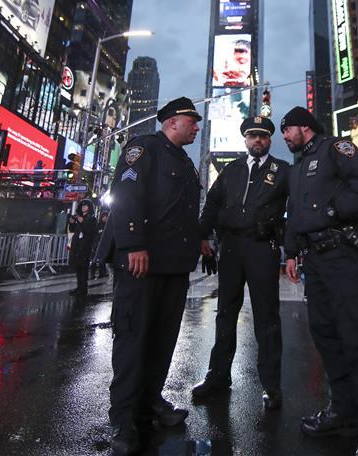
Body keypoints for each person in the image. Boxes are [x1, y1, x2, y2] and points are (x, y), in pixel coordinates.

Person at [281, 106, 358, 456]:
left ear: (303, 127)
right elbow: (294, 215)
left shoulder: (335, 149)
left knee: (354, 338)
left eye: (287, 130)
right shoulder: (297, 170)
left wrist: (333, 210)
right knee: (325, 336)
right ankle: (343, 412)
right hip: (315, 261)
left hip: (342, 256)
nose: (284, 137)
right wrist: (291, 253)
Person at [107, 97, 204, 455]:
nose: (196, 126)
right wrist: (133, 242)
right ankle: (123, 418)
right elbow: (127, 194)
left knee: (163, 339)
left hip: (174, 265)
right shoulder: (144, 148)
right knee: (133, 338)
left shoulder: (185, 161)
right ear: (171, 122)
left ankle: (150, 401)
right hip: (141, 262)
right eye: (191, 121)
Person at [193, 115, 290, 409]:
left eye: (262, 136)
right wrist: (203, 238)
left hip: (263, 247)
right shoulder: (232, 170)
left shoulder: (283, 171)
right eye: (252, 136)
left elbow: (297, 208)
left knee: (267, 317)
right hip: (232, 247)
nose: (257, 140)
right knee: (225, 313)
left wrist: (294, 250)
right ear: (245, 140)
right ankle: (218, 376)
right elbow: (211, 204)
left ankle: (271, 385)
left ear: (269, 140)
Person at [67, 198, 97, 297]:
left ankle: (83, 289)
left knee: (83, 268)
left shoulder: (92, 218)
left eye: (86, 206)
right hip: (77, 245)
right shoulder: (79, 217)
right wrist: (71, 222)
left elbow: (89, 232)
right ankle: (79, 287)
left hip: (85, 246)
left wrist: (82, 222)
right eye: (82, 206)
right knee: (78, 267)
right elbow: (73, 230)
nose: (84, 207)